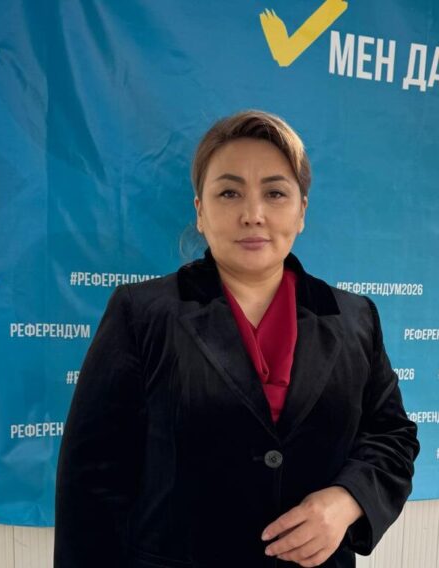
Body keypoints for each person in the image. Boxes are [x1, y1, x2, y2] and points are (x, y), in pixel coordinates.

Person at [54, 109, 420, 568]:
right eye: (229, 193)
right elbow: (91, 481)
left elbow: (393, 436)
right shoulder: (142, 314)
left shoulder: (354, 319)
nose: (253, 215)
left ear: (302, 211)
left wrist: (349, 499)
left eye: (275, 193)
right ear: (200, 211)